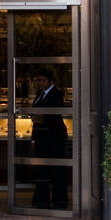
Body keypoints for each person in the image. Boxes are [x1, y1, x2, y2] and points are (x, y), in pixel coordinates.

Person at [30, 68, 69, 210]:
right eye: (38, 80)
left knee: (56, 169)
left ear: (50, 80)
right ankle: (42, 200)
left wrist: (38, 117)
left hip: (53, 137)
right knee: (42, 169)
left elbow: (52, 115)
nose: (40, 83)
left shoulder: (56, 94)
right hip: (42, 136)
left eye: (43, 80)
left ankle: (59, 200)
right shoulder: (41, 94)